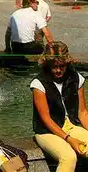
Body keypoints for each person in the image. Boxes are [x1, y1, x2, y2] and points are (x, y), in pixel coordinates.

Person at [30, 42, 88, 171]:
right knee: (69, 157)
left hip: (71, 125)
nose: (58, 70)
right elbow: (46, 119)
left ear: (67, 63)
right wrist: (69, 139)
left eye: (62, 66)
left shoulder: (77, 78)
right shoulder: (38, 84)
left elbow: (82, 112)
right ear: (47, 64)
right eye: (54, 66)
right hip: (47, 131)